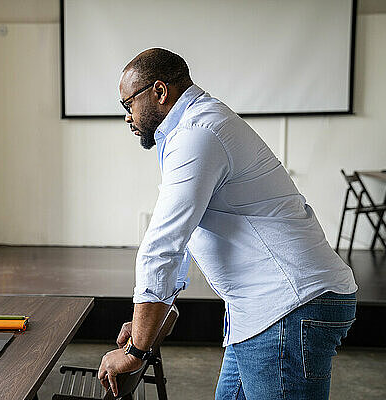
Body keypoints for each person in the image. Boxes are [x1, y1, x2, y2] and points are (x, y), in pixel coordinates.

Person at [97, 48, 358, 400]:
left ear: (159, 92)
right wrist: (153, 320)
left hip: (287, 308)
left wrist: (135, 352)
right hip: (264, 311)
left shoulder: (197, 134)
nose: (127, 117)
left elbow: (161, 247)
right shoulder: (196, 127)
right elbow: (184, 238)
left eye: (128, 104)